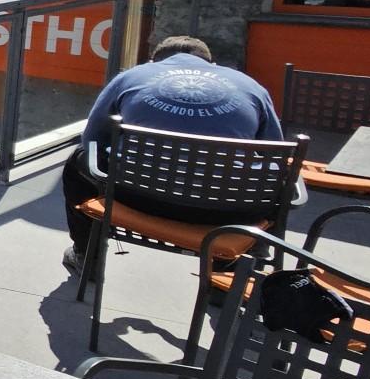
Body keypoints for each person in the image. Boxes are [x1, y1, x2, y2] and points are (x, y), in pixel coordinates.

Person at [59, 35, 285, 273]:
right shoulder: (251, 86)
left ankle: (87, 256)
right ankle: (231, 274)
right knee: (278, 184)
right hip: (225, 213)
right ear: (213, 65)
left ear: (152, 62)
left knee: (78, 162)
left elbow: (92, 139)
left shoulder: (131, 77)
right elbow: (274, 152)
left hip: (138, 198)